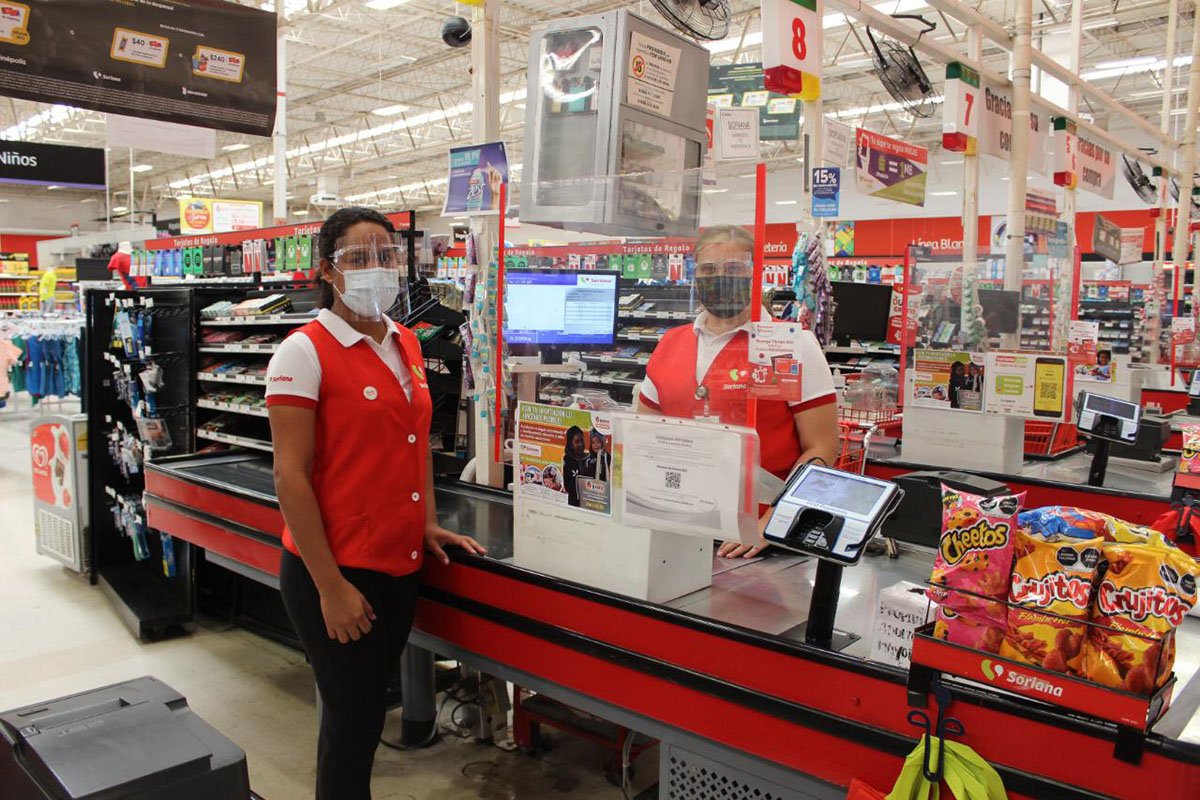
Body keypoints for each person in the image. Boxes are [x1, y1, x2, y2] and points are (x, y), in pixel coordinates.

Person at [266, 206, 486, 800]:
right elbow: (291, 478)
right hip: (336, 571)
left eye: (385, 255)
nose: (375, 268)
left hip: (399, 563)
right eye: (357, 258)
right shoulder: (302, 352)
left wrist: (428, 522)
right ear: (328, 271)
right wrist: (330, 587)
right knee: (355, 726)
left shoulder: (406, 342)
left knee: (360, 715)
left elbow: (414, 442)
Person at [638, 225, 839, 558]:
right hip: (681, 525)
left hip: (761, 538)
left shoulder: (791, 344)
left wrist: (772, 522)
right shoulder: (670, 343)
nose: (719, 278)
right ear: (695, 274)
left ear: (755, 274)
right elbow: (646, 438)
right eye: (708, 269)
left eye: (733, 269)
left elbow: (823, 447)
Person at [562, 424, 587, 507]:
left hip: (589, 502)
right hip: (574, 504)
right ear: (571, 444)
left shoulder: (589, 458)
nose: (580, 444)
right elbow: (567, 487)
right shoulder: (568, 461)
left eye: (582, 440)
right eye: (576, 442)